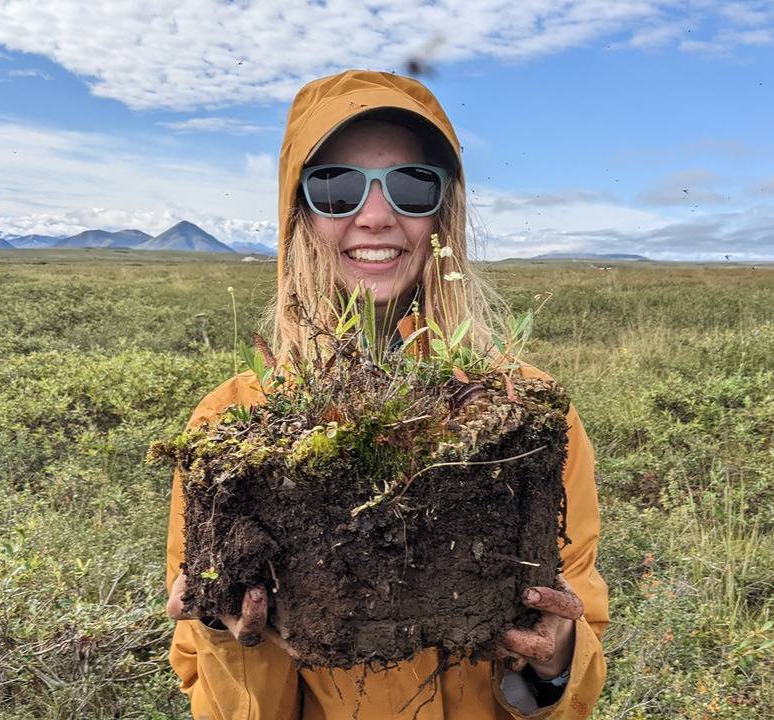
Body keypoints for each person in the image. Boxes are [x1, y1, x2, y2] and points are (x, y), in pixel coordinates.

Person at [165, 69, 609, 719]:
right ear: (298, 216)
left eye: (410, 186)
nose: (375, 216)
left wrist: (555, 661)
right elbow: (212, 695)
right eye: (336, 188)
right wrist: (230, 631)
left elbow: (575, 645)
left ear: (441, 214)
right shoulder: (235, 423)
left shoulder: (522, 415)